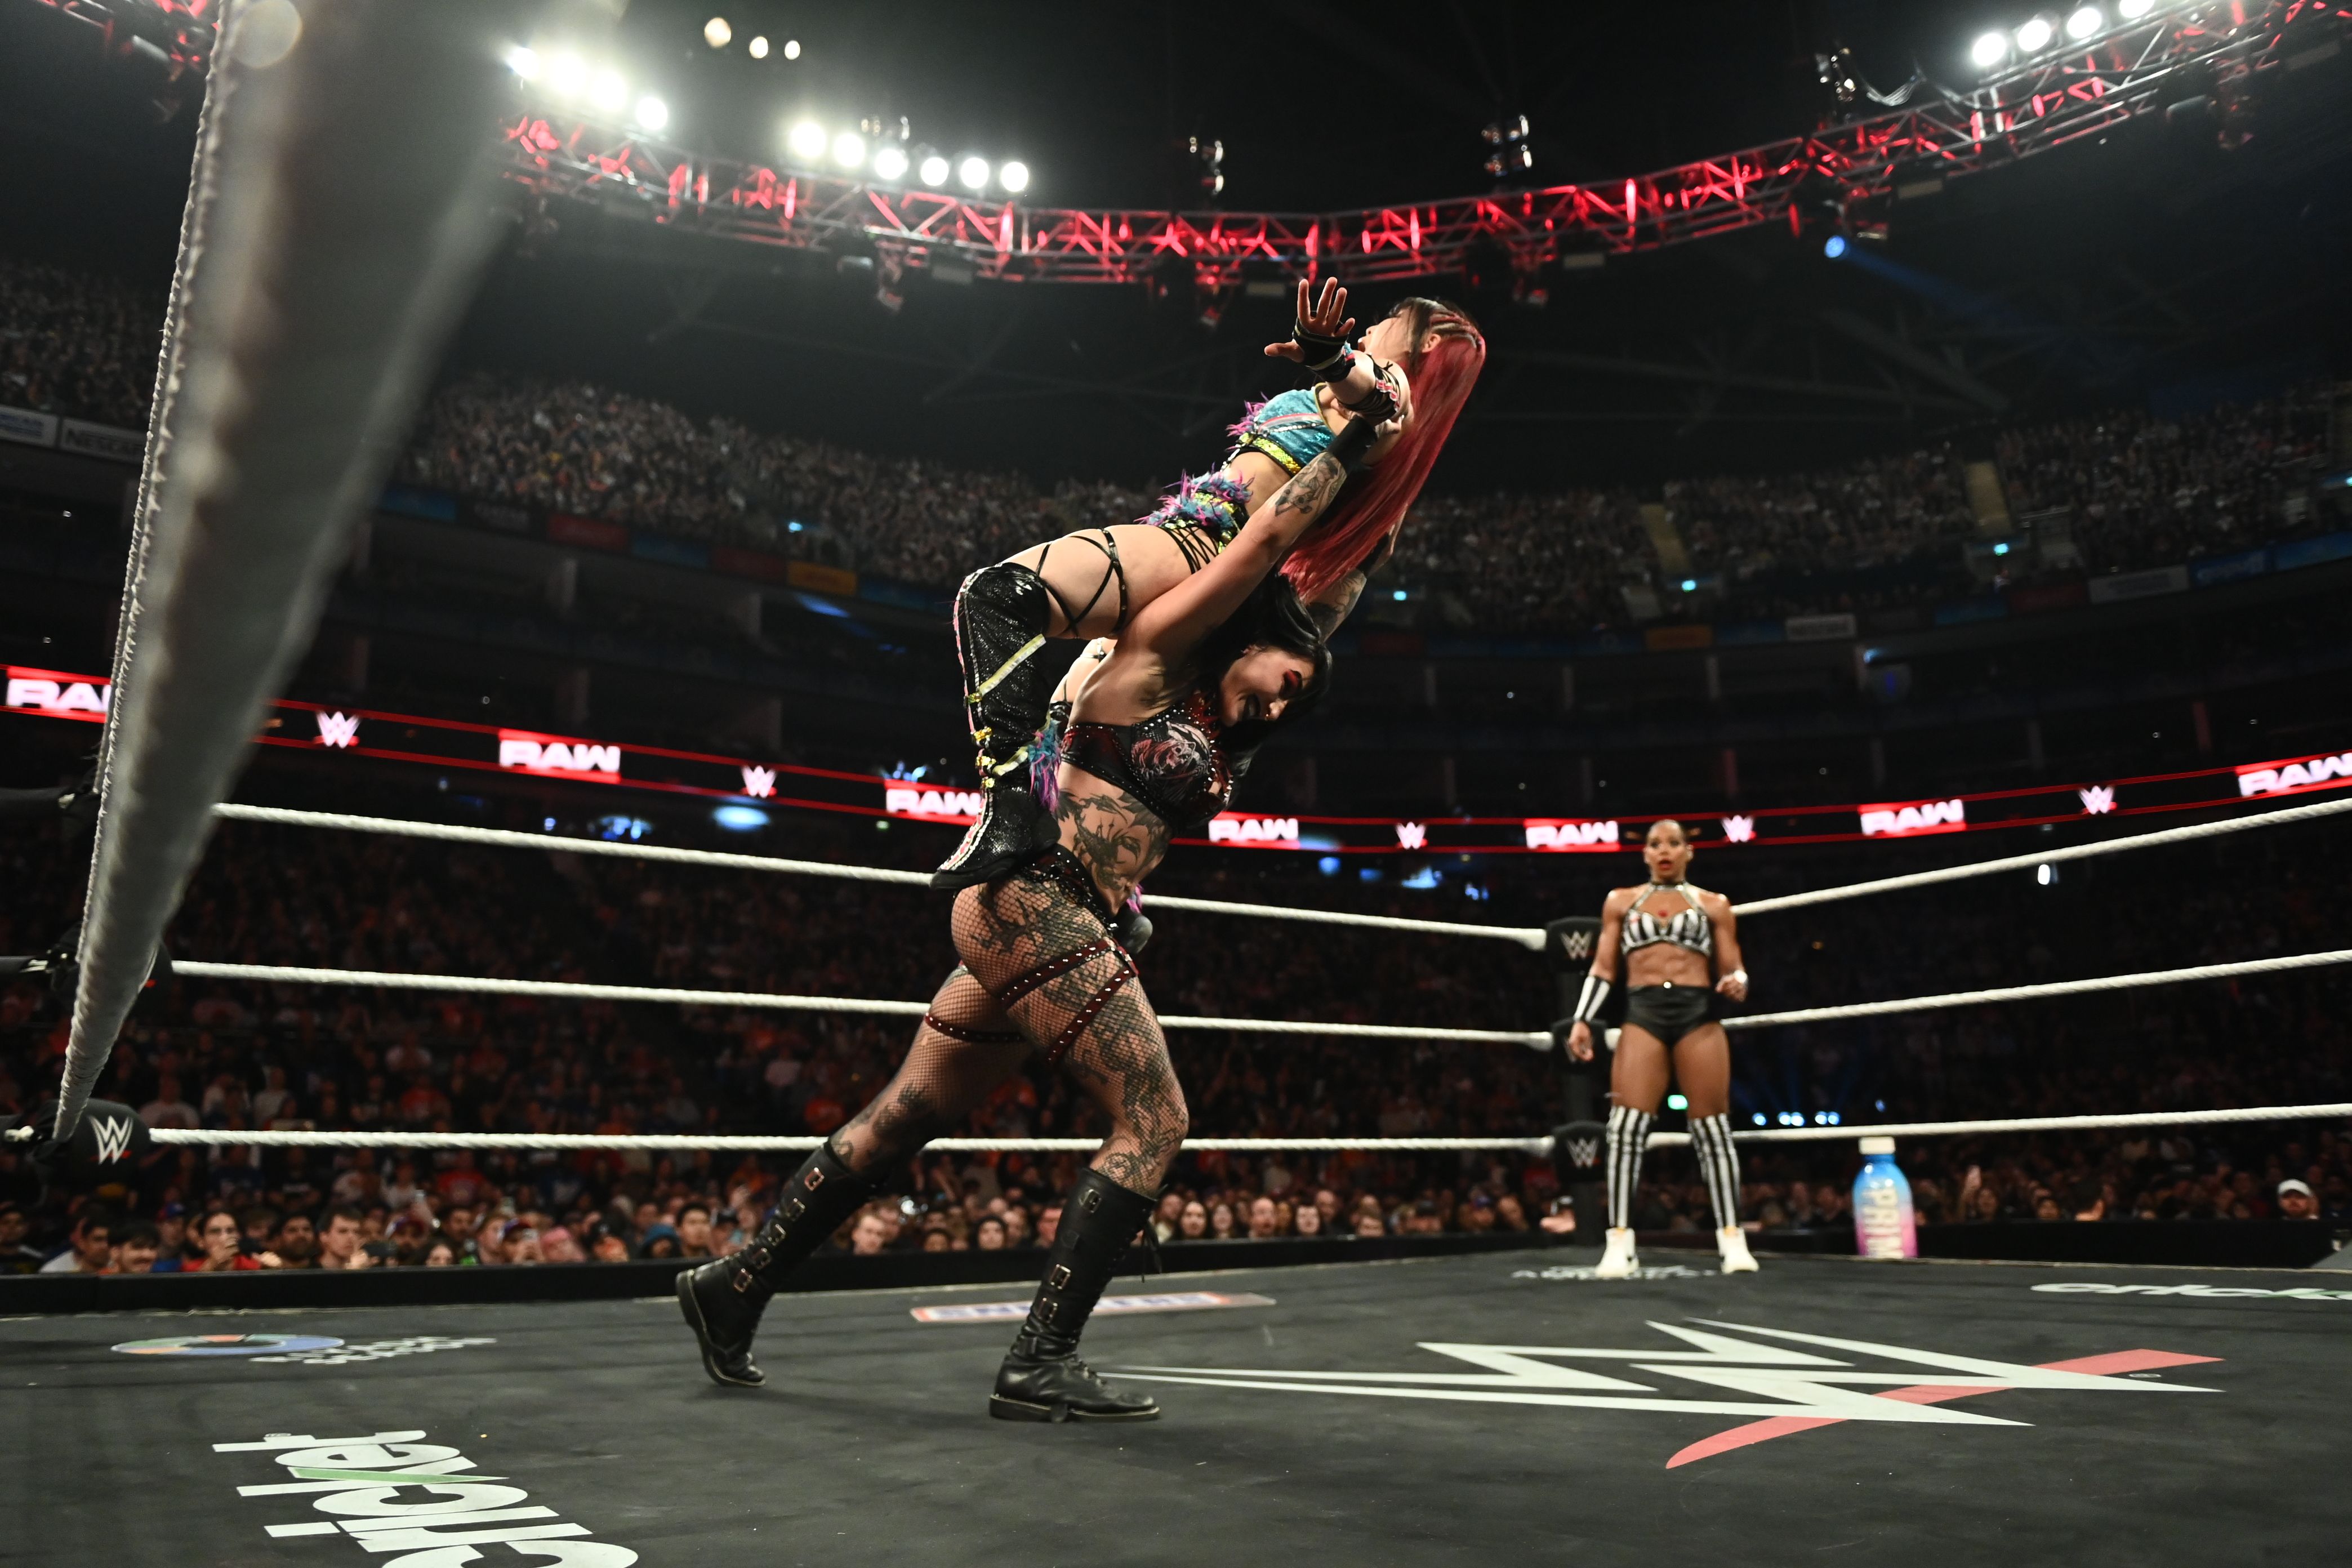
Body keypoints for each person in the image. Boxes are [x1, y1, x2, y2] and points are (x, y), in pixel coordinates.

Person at [679, 416, 1374, 1423]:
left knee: (910, 1111)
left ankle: (734, 1286)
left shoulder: (1232, 726)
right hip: (1032, 899)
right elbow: (1268, 542)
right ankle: (1040, 1357)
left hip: (1057, 918)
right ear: (1256, 640)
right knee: (1156, 1118)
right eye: (1284, 683)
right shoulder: (1153, 655)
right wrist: (1356, 441)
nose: (1280, 707)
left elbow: (1338, 587)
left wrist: (1400, 474)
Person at [931, 282, 1484, 888]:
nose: (1376, 324)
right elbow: (1343, 588)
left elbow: (1378, 393)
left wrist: (1332, 357)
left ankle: (1010, 811)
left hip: (1207, 543)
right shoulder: (1396, 467)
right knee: (1068, 713)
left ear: (1428, 341)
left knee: (998, 596)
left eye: (1394, 317)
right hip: (1216, 564)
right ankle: (1104, 884)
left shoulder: (1392, 393)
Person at [1565, 818, 1754, 1278]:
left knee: (1712, 1129)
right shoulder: (1621, 901)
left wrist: (1737, 983)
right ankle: (1619, 1241)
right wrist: (1583, 1018)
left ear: (1689, 851)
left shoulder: (1714, 904)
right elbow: (1604, 968)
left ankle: (1732, 1238)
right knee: (1625, 1127)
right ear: (1645, 853)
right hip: (1643, 1011)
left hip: (1697, 1011)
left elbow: (1734, 968)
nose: (1664, 851)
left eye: (1673, 843)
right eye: (1655, 844)